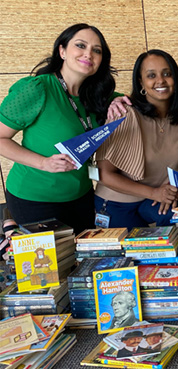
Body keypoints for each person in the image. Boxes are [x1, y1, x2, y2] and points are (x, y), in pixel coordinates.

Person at [0, 24, 116, 233]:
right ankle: (8, 232)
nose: (88, 53)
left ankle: (9, 233)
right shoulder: (36, 89)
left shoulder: (99, 97)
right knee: (49, 264)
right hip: (34, 197)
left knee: (83, 261)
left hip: (82, 195)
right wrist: (43, 163)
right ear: (62, 51)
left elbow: (146, 94)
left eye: (97, 50)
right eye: (80, 45)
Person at [95, 50, 178, 230]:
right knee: (134, 255)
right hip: (117, 202)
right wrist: (155, 193)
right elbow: (104, 174)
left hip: (155, 200)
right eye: (151, 75)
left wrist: (170, 190)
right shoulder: (123, 114)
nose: (161, 81)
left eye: (167, 74)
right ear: (141, 82)